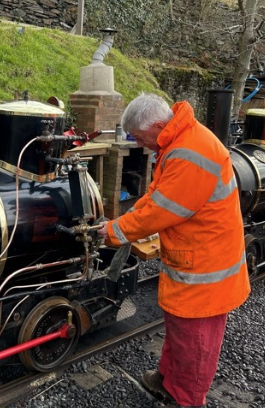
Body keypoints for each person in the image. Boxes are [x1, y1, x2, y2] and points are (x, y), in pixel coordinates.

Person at [98, 93, 250, 408]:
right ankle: (167, 379)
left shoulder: (189, 152)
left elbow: (161, 211)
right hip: (193, 259)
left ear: (156, 125)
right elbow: (155, 195)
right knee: (179, 330)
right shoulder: (176, 141)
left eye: (140, 138)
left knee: (196, 343)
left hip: (206, 268)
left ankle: (187, 399)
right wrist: (124, 220)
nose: (141, 145)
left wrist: (116, 231)